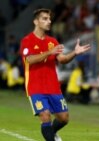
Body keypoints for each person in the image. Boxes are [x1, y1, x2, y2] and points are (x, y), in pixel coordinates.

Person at [19, 8, 91, 141]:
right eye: (45, 19)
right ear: (36, 21)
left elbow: (62, 60)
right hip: (35, 87)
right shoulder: (27, 40)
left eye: (49, 19)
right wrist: (49, 53)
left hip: (53, 86)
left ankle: (52, 132)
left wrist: (75, 53)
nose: (49, 21)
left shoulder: (52, 41)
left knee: (64, 118)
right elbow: (29, 59)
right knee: (45, 115)